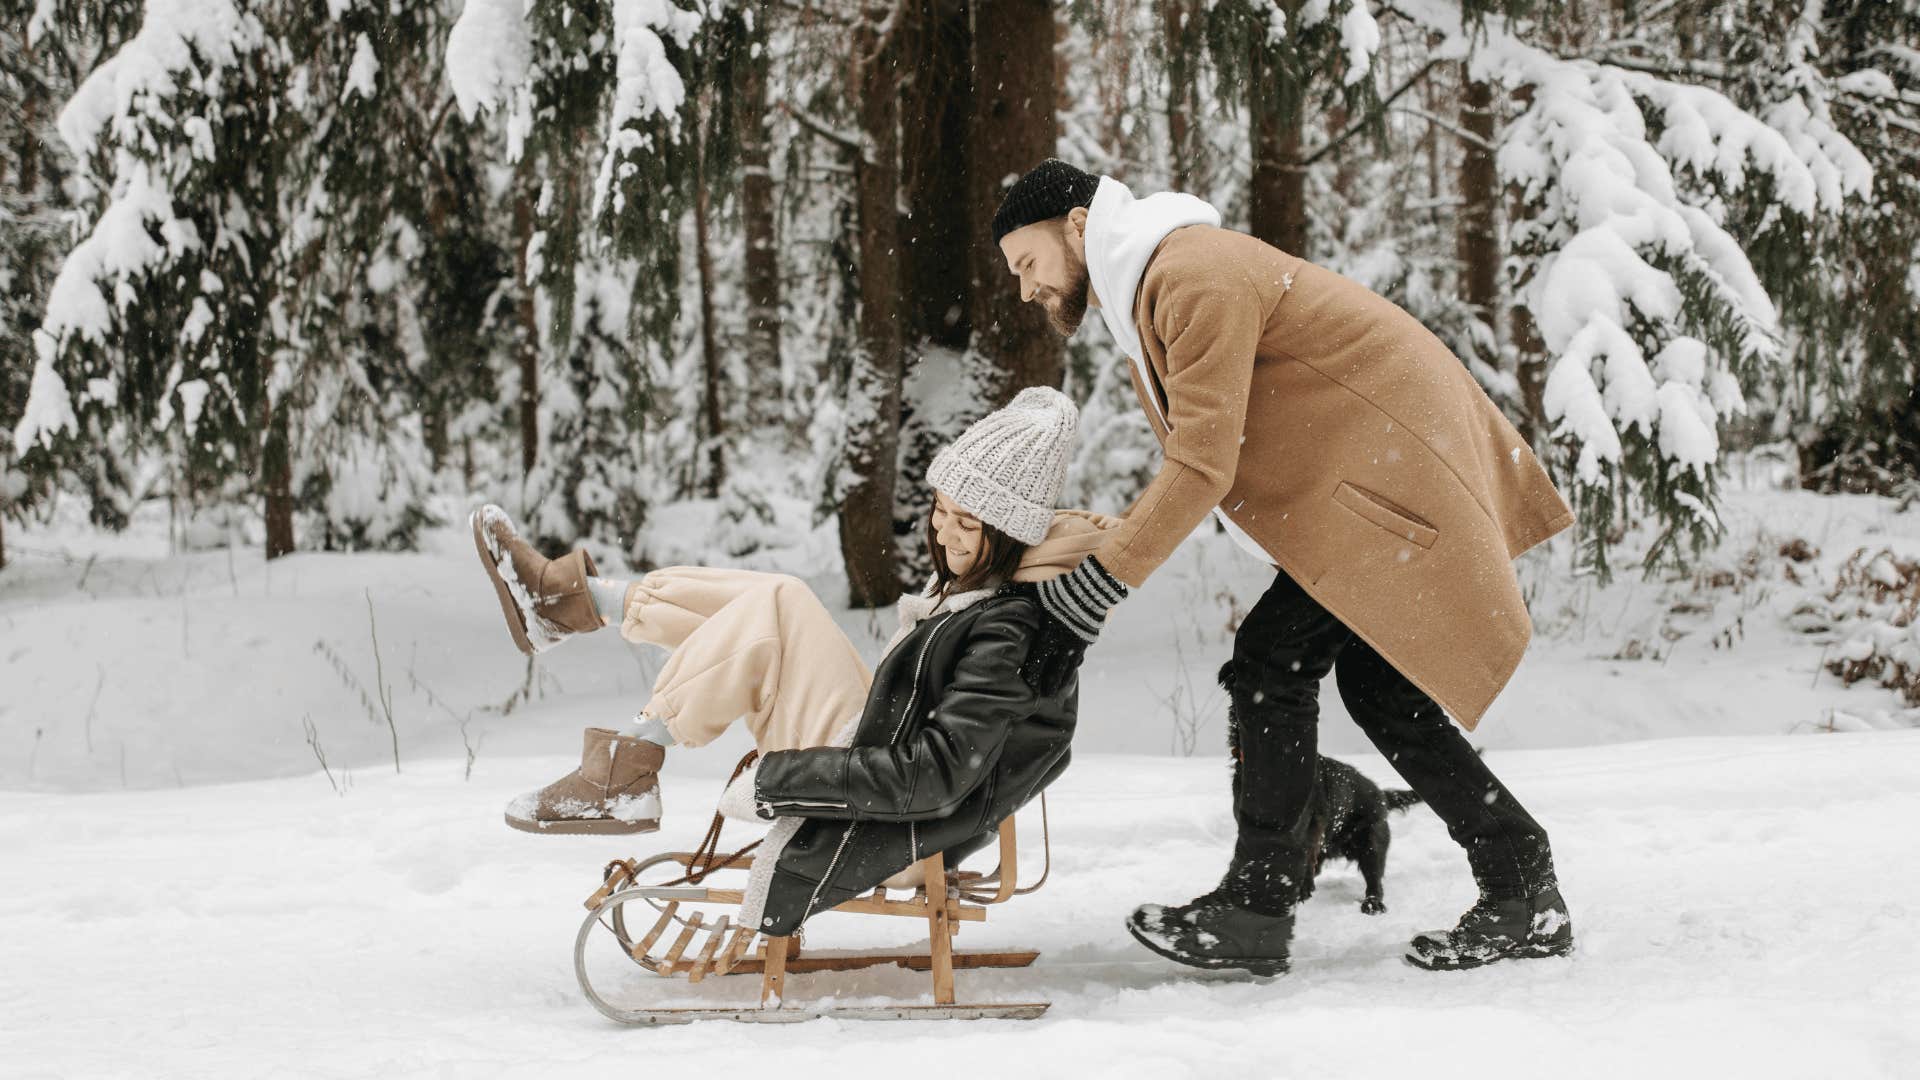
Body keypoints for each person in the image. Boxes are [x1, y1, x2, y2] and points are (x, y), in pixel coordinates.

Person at [992, 158, 1577, 973]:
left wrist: (1088, 596)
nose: (1025, 288)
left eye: (1028, 262)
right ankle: (1521, 885)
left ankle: (1258, 906)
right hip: (1375, 476)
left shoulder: (1191, 274)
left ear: (1079, 228)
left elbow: (1201, 465)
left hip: (1391, 474)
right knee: (1379, 688)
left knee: (1273, 664)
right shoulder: (1159, 285)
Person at [470, 387, 1118, 935]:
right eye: (940, 513)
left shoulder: (1010, 629)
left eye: (967, 525)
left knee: (774, 613)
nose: (944, 535)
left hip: (904, 832)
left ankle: (623, 767)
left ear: (1009, 531)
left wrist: (783, 778)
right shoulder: (994, 590)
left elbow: (936, 777)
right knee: (776, 600)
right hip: (889, 783)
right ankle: (570, 603)